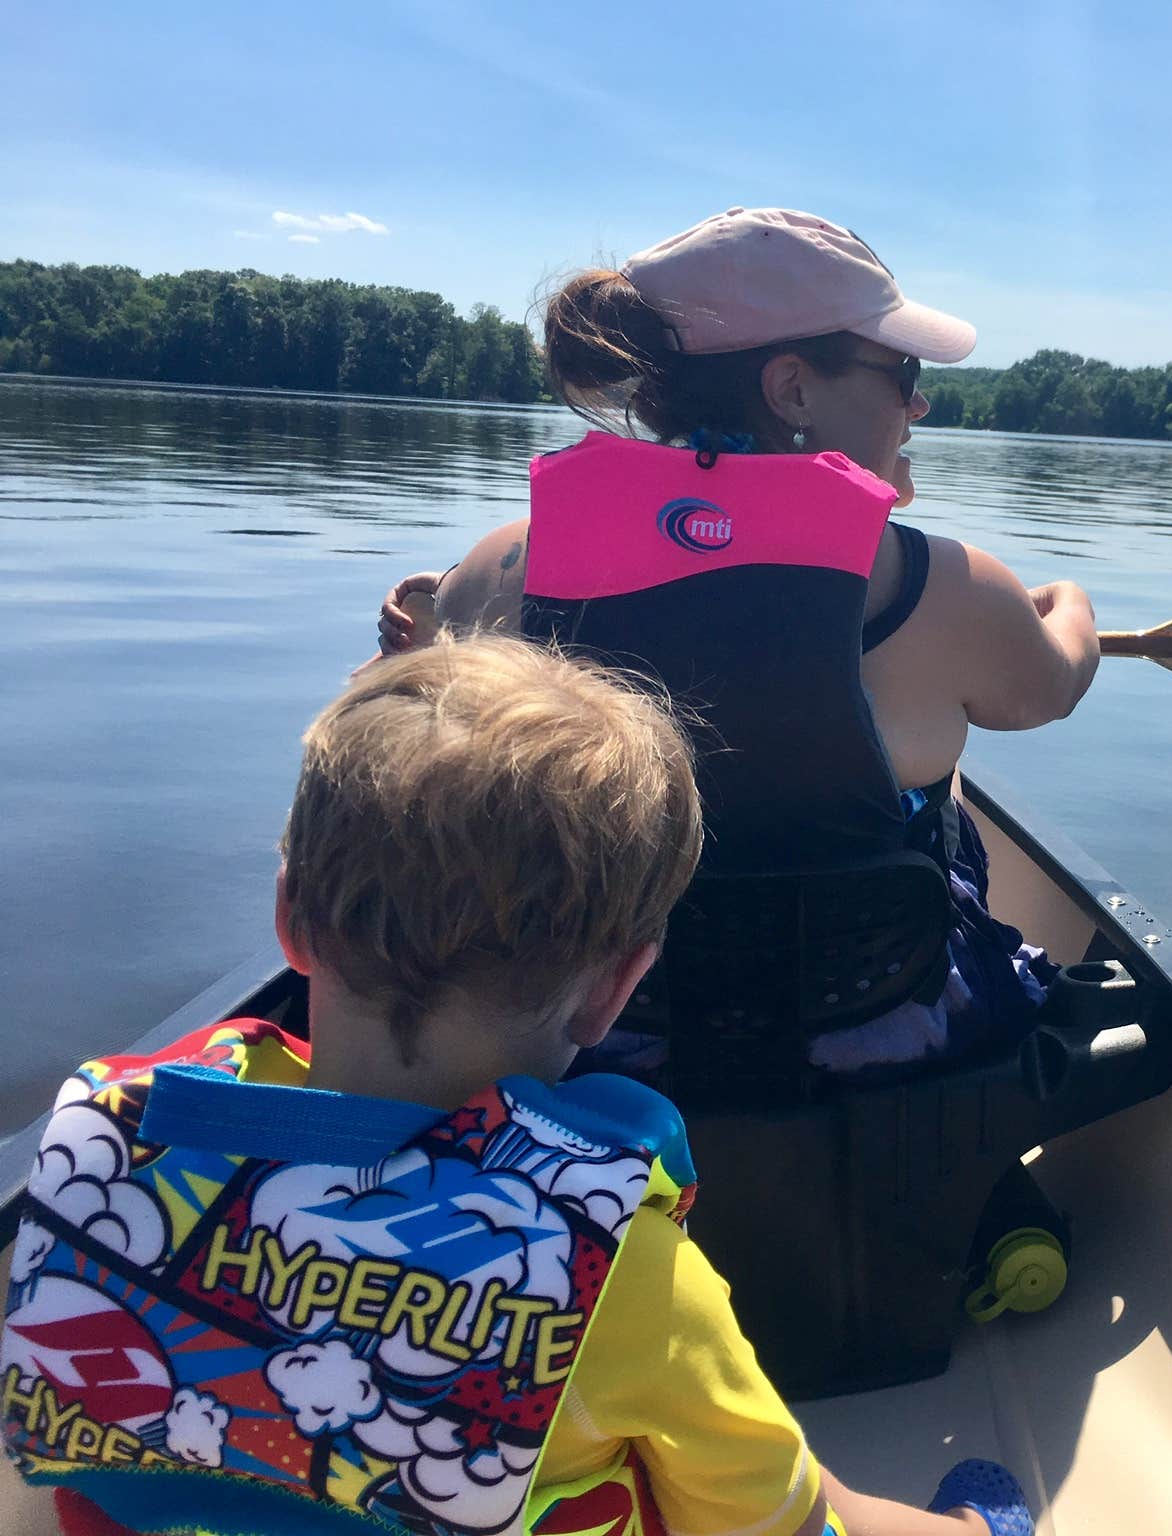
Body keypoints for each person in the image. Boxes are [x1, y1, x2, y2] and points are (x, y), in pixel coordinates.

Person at [0, 634, 1029, 1536]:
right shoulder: (612, 1273)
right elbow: (783, 1524)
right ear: (615, 990)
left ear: (290, 917)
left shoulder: (108, 1147)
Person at [374, 206, 1100, 1074]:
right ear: (792, 388)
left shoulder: (500, 569)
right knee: (949, 831)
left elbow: (393, 723)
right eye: (902, 372)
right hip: (872, 1024)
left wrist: (422, 631)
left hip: (602, 1032)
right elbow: (1050, 689)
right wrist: (1065, 600)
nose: (920, 400)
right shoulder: (949, 586)